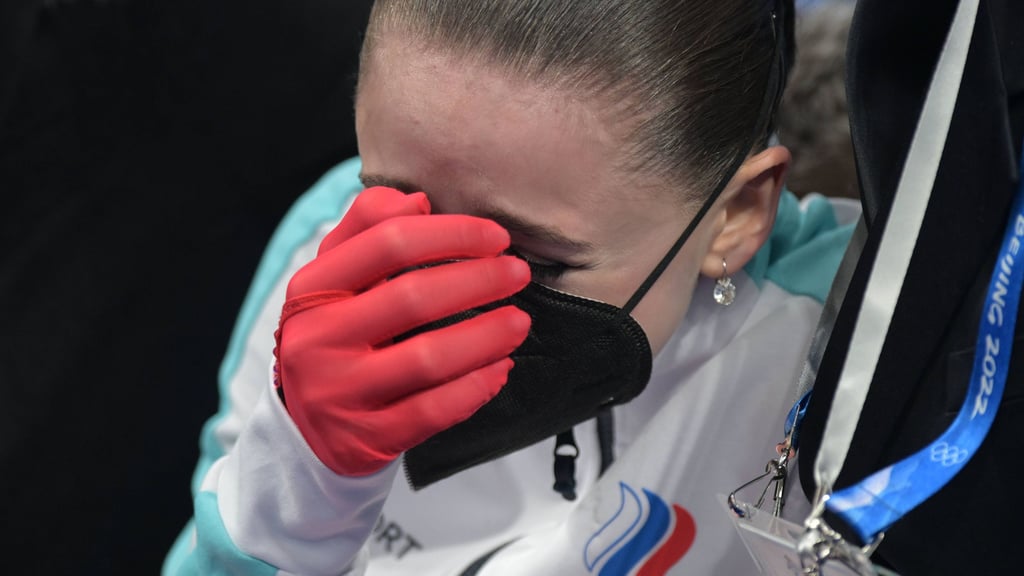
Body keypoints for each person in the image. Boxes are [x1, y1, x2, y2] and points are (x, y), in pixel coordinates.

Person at [163, 1, 860, 574]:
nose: (442, 295)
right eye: (398, 213)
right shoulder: (320, 248)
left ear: (736, 214)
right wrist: (297, 488)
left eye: (532, 259)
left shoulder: (843, 334)